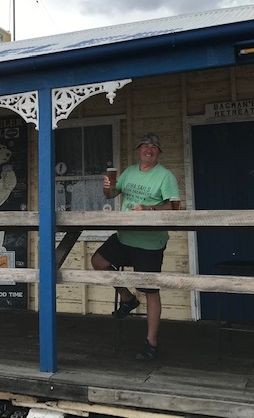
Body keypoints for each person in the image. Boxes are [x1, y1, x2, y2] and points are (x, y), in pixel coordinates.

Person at [91, 132, 180, 360]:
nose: (148, 150)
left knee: (150, 290)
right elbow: (111, 194)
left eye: (153, 147)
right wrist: (108, 187)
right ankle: (128, 298)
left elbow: (175, 207)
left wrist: (149, 209)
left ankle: (151, 343)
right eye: (145, 146)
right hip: (124, 237)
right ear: (138, 150)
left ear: (159, 152)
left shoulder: (165, 176)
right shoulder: (130, 172)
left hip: (150, 242)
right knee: (98, 261)